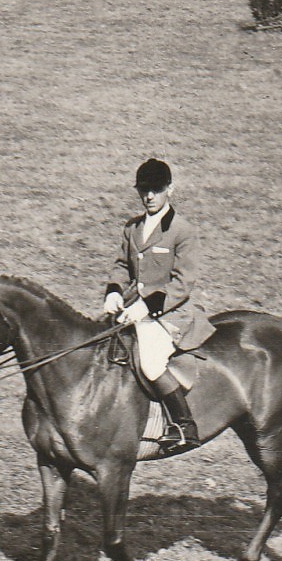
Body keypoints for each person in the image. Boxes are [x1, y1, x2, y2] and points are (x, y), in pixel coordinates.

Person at [102, 159, 214, 457]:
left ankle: (183, 425)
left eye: (156, 190)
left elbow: (182, 282)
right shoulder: (132, 227)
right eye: (144, 190)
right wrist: (113, 292)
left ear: (170, 190)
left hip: (171, 314)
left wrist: (145, 308)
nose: (149, 196)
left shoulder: (182, 231)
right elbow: (121, 265)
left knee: (150, 361)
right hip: (132, 308)